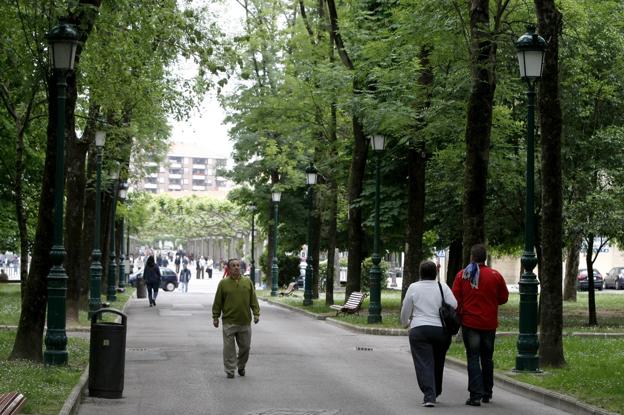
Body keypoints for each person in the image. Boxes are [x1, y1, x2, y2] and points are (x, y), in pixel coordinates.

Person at [452, 243, 509, 406]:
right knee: (487, 358)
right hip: (489, 323)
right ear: (485, 258)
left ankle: (475, 395)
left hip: (470, 322)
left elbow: (456, 298)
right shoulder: (495, 275)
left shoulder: (462, 275)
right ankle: (487, 392)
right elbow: (503, 298)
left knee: (473, 357)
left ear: (471, 257)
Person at [400, 260, 457, 407]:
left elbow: (406, 309)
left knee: (424, 362)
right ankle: (435, 391)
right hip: (441, 330)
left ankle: (429, 395)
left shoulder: (414, 287)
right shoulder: (442, 287)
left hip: (419, 329)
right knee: (438, 362)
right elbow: (454, 304)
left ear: (420, 273)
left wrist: (405, 322)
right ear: (435, 273)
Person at [212, 258, 260, 378]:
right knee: (229, 349)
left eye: (238, 265)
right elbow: (218, 301)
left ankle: (241, 365)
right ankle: (230, 370)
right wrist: (215, 317)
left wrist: (256, 313)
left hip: (244, 322)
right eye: (233, 265)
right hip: (229, 322)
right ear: (229, 268)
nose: (236, 267)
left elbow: (253, 299)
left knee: (245, 347)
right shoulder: (223, 283)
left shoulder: (248, 282)